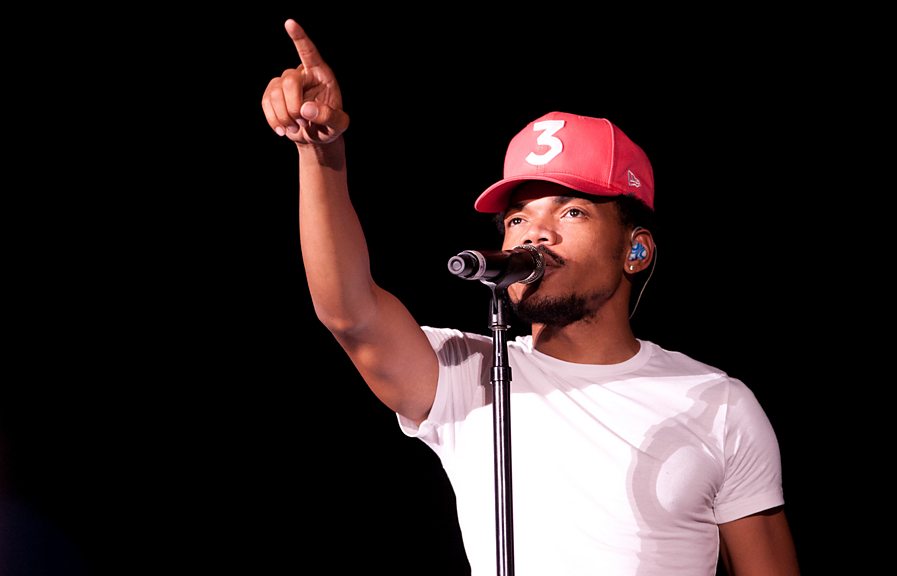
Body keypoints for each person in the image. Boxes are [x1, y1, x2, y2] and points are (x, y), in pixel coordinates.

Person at [261, 18, 800, 576]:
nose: (534, 235)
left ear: (635, 251)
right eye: (517, 219)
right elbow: (349, 313)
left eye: (572, 212)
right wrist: (319, 152)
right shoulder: (468, 374)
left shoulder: (717, 402)